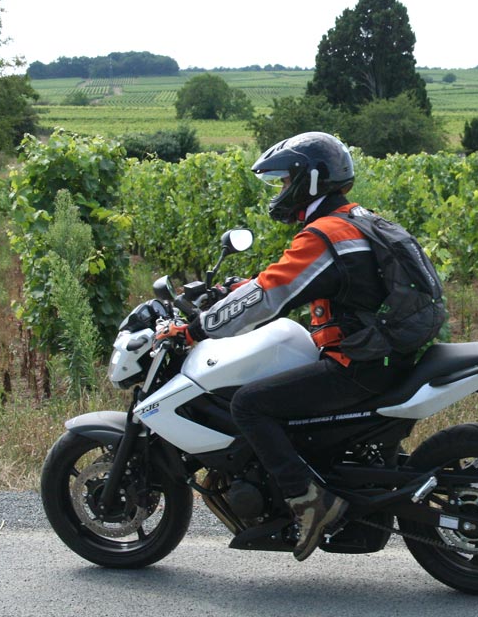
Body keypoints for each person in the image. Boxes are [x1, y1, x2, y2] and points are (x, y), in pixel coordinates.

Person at [158, 132, 417, 562]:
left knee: (249, 405)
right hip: (390, 353)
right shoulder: (359, 218)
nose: (280, 191)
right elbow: (303, 282)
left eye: (283, 182)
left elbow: (269, 296)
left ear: (308, 181)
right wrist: (246, 288)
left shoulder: (324, 233)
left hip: (361, 362)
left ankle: (309, 503)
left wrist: (195, 330)